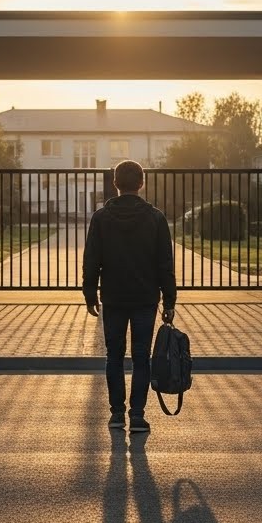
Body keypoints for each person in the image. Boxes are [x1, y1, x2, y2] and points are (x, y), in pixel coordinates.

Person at [82, 160, 176, 434]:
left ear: (115, 183)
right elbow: (164, 264)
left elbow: (92, 260)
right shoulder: (155, 218)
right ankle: (137, 415)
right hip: (145, 298)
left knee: (113, 355)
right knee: (141, 357)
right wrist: (169, 301)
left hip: (113, 297)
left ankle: (116, 414)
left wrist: (90, 293)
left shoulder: (100, 218)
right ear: (141, 182)